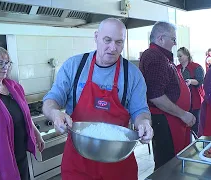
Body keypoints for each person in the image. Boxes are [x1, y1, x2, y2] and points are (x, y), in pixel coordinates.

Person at [42, 18, 153, 180]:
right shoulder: (74, 66)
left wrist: (144, 123)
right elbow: (51, 100)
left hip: (118, 161)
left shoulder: (132, 75)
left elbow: (140, 110)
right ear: (96, 37)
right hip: (78, 160)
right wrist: (54, 113)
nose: (113, 48)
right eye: (107, 40)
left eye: (119, 42)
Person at [139, 22, 196, 170]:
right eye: (173, 39)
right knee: (168, 167)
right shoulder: (155, 57)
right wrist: (183, 114)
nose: (175, 43)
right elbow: (156, 96)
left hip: (173, 120)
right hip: (166, 121)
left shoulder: (161, 56)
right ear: (161, 38)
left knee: (176, 163)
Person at [0, 44, 44, 180]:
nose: (5, 67)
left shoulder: (14, 86)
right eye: (0, 63)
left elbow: (25, 114)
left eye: (7, 63)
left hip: (20, 155)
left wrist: (36, 133)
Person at [176, 47, 205, 134]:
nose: (179, 58)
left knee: (196, 125)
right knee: (183, 126)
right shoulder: (177, 68)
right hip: (182, 101)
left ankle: (198, 143)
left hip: (195, 100)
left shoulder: (196, 67)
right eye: (178, 57)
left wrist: (190, 81)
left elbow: (200, 81)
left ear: (187, 55)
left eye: (180, 56)